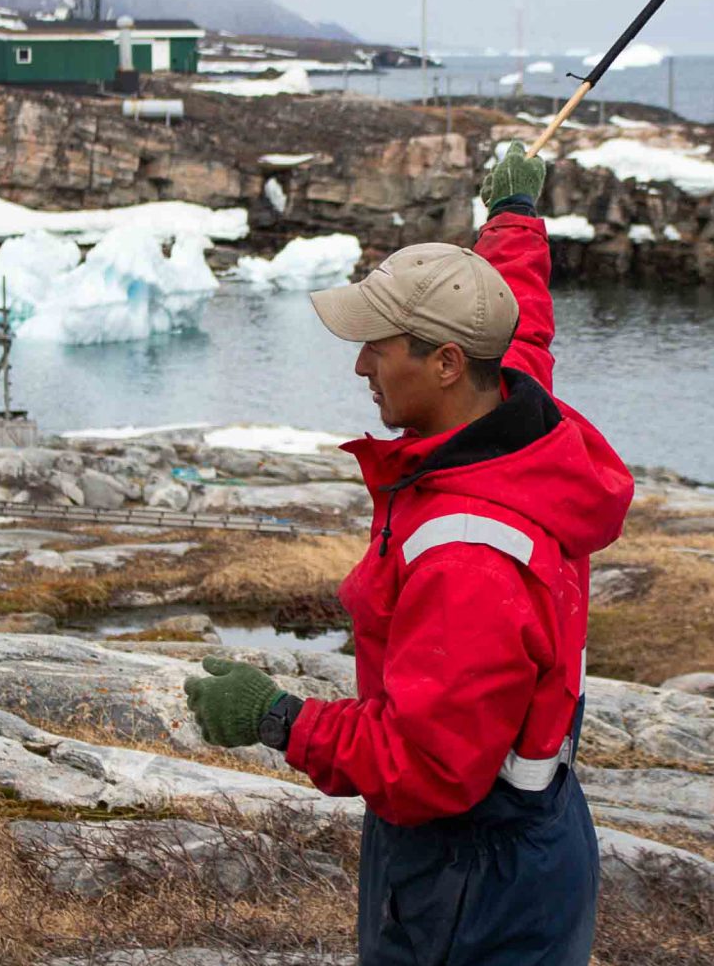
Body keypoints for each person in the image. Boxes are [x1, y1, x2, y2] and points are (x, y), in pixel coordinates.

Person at [182, 143, 634, 965]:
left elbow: (425, 766)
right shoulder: (512, 416)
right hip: (517, 842)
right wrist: (514, 217)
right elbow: (519, 316)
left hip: (472, 876)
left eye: (378, 347)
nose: (359, 364)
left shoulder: (470, 559)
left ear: (446, 363)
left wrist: (276, 718)